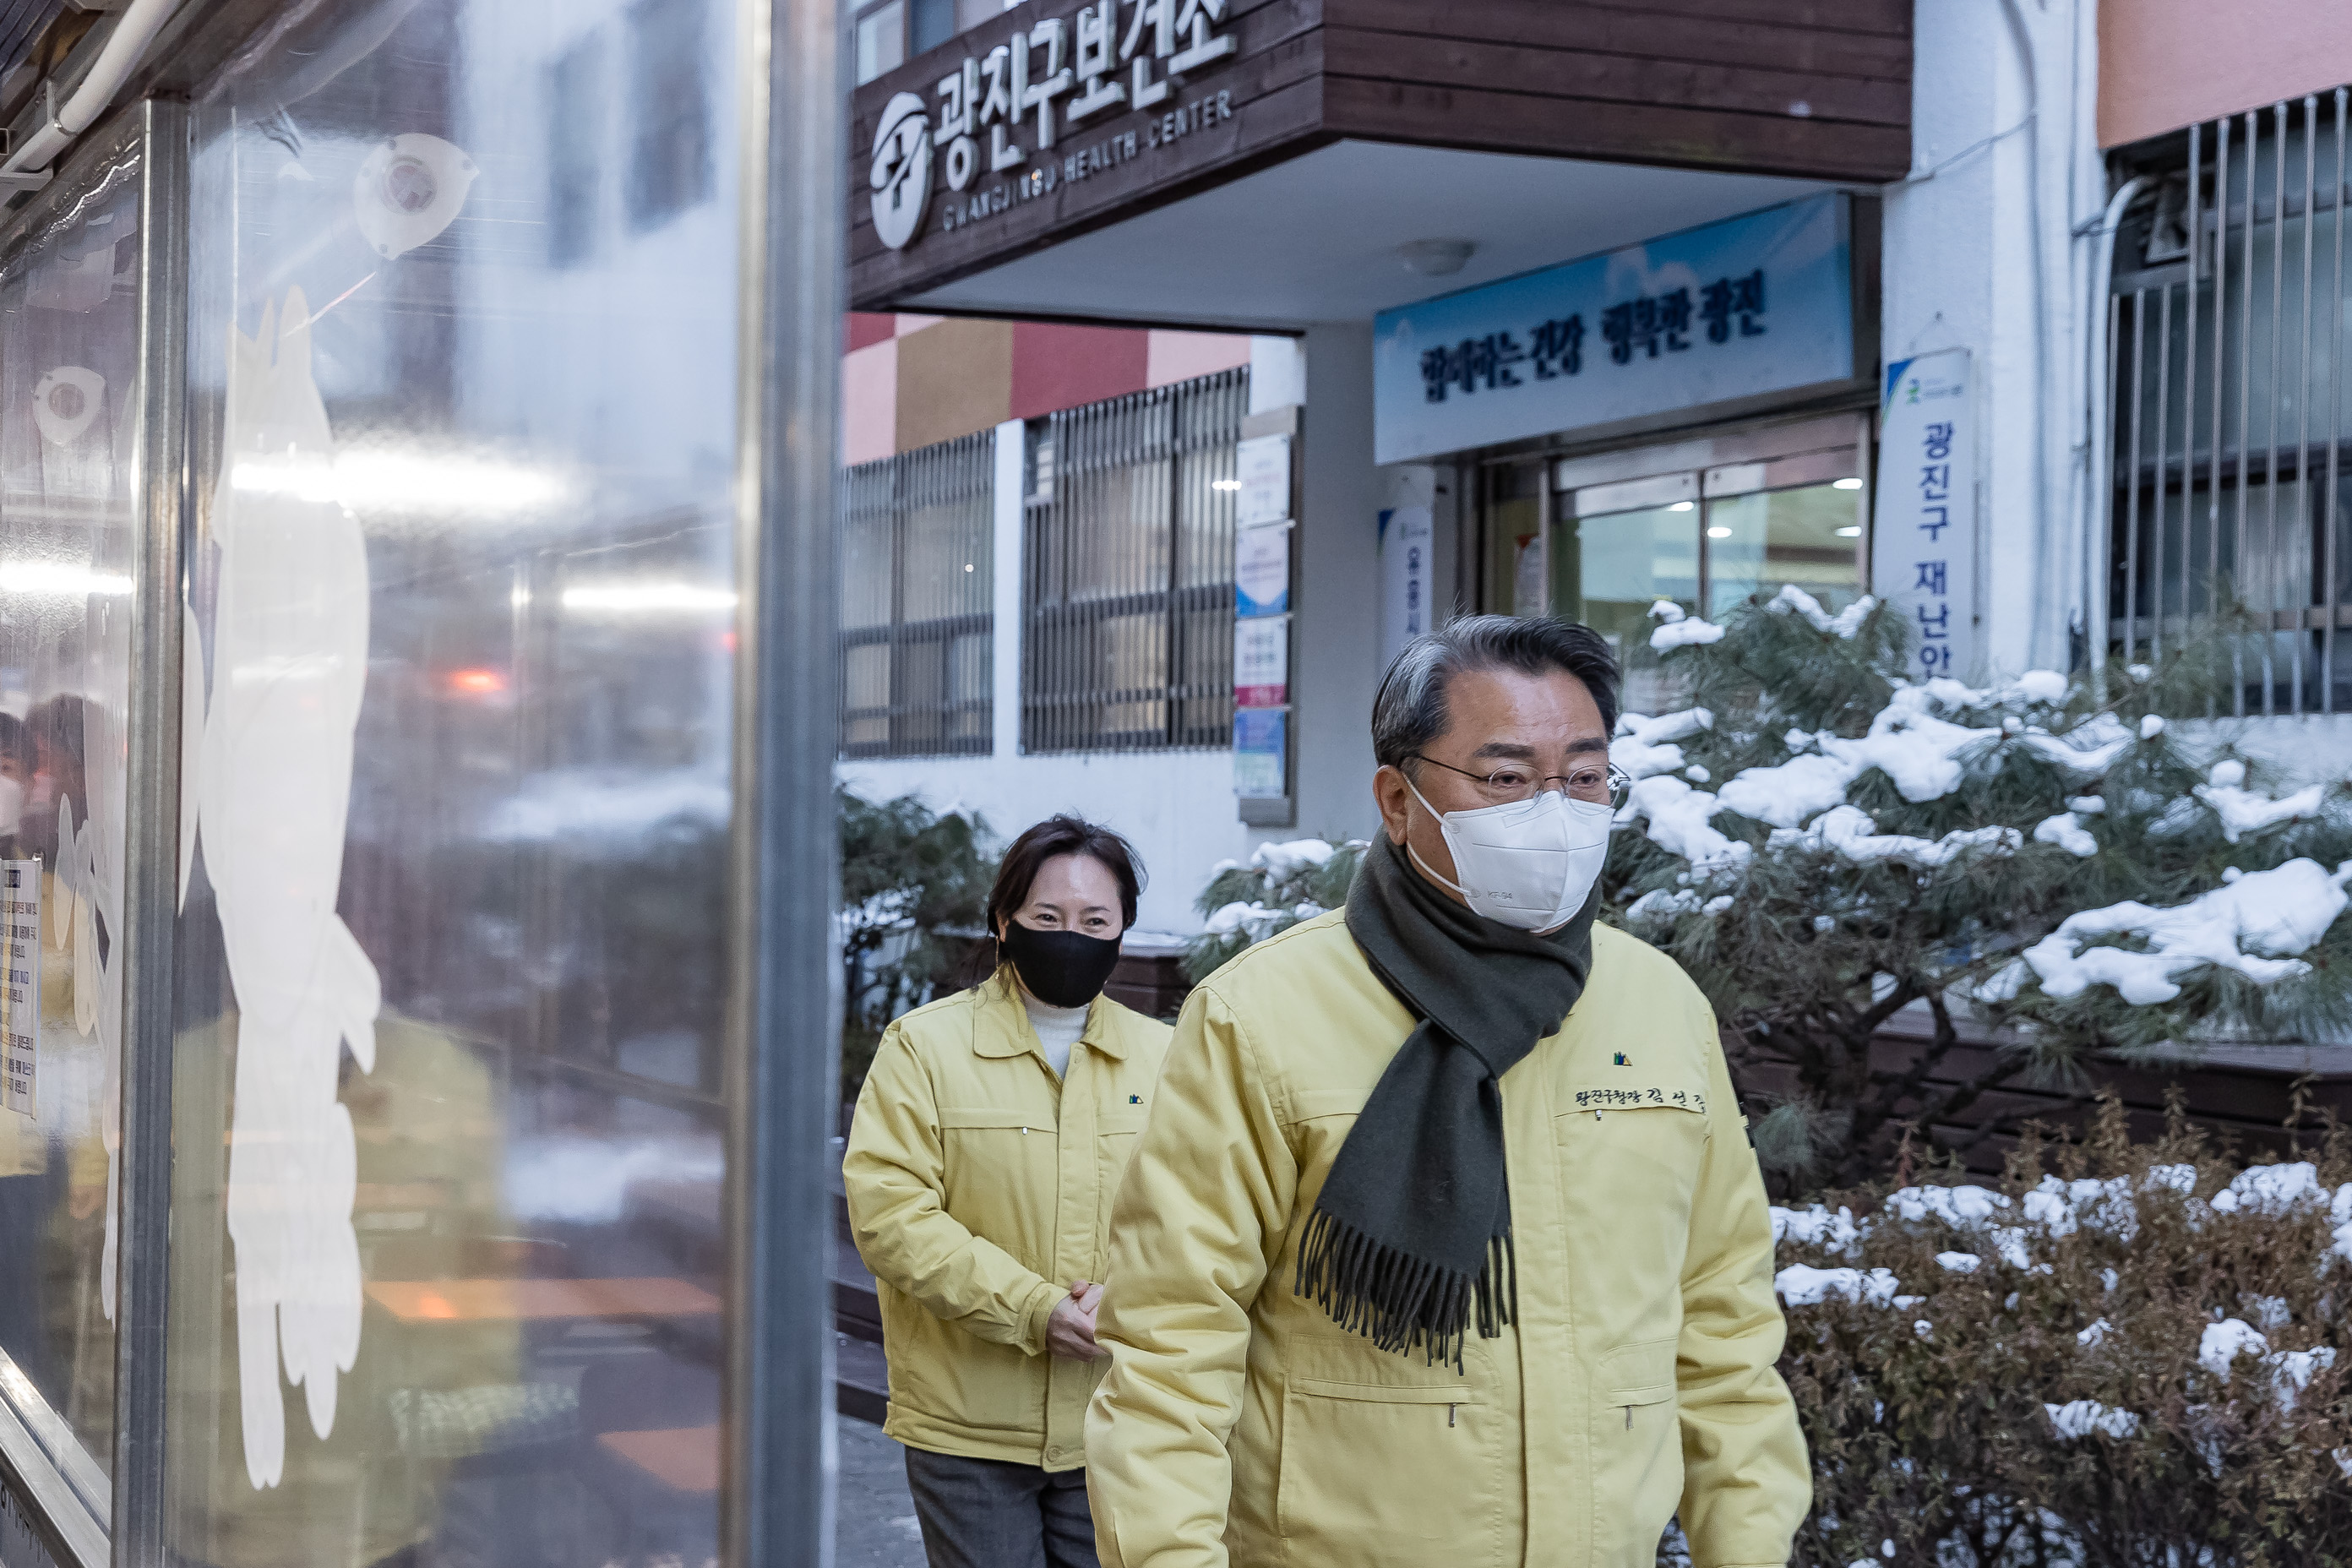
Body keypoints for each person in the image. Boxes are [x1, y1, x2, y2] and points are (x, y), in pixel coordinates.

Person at [1084, 616, 1810, 1568]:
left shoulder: (1659, 1004)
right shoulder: (1259, 1015)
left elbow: (1726, 1329)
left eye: (1584, 775)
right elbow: (1170, 1352)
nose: (1554, 808)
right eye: (1507, 777)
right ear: (1398, 797)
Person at [847, 814, 1173, 1568]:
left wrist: (1126, 1302)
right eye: (1047, 918)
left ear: (1123, 930)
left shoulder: (1168, 1058)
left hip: (1118, 1416)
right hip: (969, 1429)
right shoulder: (924, 1049)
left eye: (1097, 920)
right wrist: (1036, 1309)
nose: (1072, 937)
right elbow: (893, 1217)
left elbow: (1202, 1211)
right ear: (1004, 922)